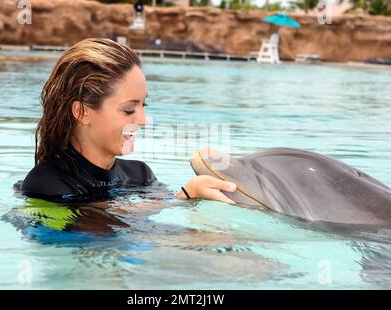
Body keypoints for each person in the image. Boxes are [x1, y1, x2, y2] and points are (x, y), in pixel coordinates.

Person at [19, 38, 236, 204]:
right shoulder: (45, 184)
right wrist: (186, 196)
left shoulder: (139, 175)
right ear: (82, 111)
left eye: (144, 106)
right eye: (129, 110)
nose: (142, 120)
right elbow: (99, 233)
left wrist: (198, 195)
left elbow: (165, 208)